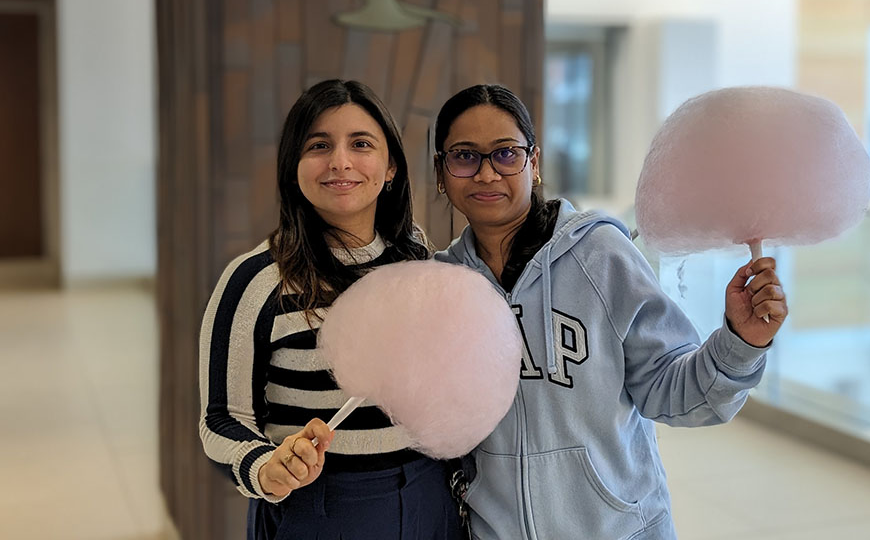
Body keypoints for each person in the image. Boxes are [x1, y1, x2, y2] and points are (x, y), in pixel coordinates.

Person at [432, 84, 788, 540]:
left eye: (505, 154)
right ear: (441, 172)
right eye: (464, 156)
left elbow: (672, 391)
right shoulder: (442, 284)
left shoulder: (599, 254)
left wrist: (741, 341)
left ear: (533, 163)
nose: (486, 174)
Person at [199, 79, 465, 540]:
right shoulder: (256, 279)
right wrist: (266, 466)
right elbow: (221, 420)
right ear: (293, 167)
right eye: (319, 145)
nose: (340, 161)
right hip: (320, 508)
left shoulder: (418, 259)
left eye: (361, 144)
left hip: (429, 495)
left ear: (391, 169)